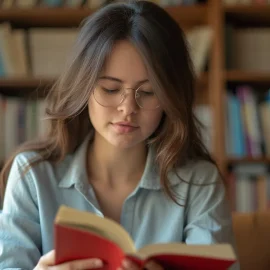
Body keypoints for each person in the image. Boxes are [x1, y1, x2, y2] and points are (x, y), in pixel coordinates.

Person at [0, 0, 239, 269]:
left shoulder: (198, 183)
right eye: (111, 89)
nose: (128, 108)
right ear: (84, 87)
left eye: (147, 92)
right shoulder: (33, 176)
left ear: (171, 97)